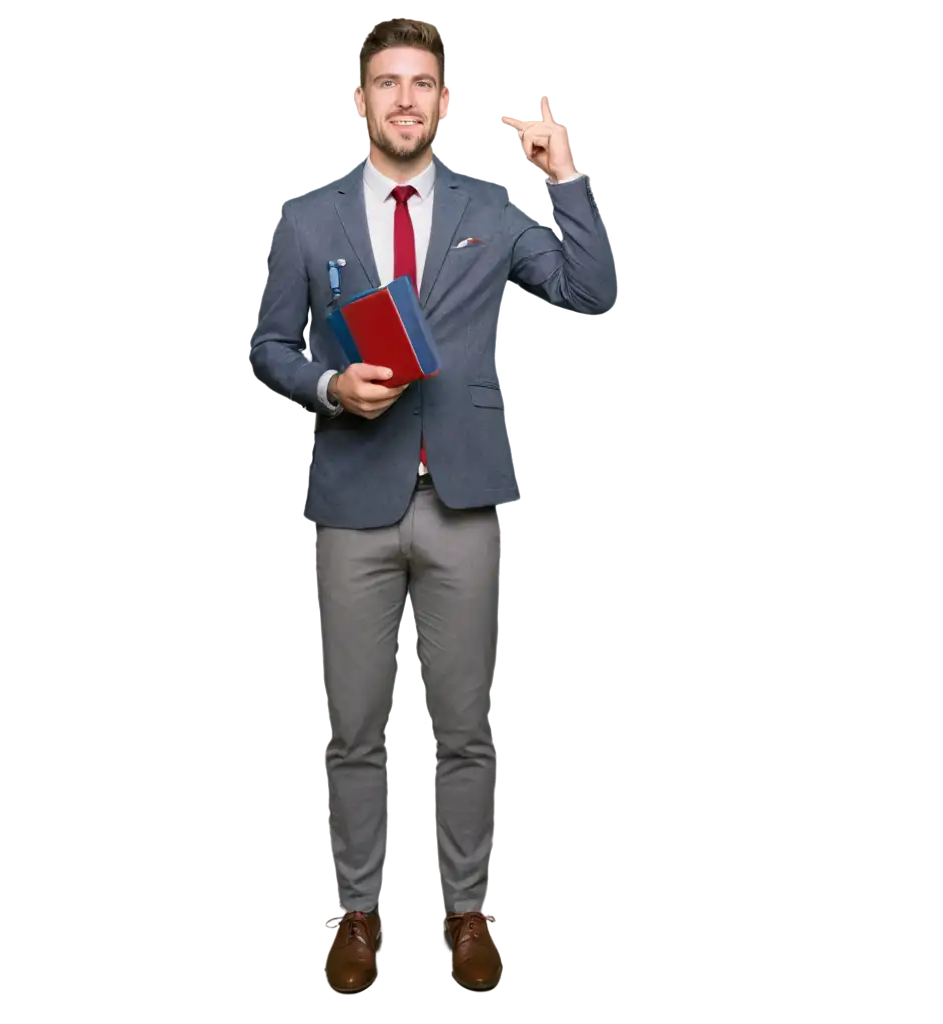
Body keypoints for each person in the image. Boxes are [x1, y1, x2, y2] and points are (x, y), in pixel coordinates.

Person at [247, 14, 614, 993]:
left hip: (464, 496)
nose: (404, 98)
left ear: (441, 102)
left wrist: (563, 175)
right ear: (357, 100)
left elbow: (588, 291)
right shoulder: (306, 217)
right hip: (351, 499)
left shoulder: (491, 208)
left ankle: (467, 908)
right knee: (354, 726)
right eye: (387, 83)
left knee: (467, 725)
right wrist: (330, 389)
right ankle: (359, 911)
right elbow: (267, 347)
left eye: (420, 83)